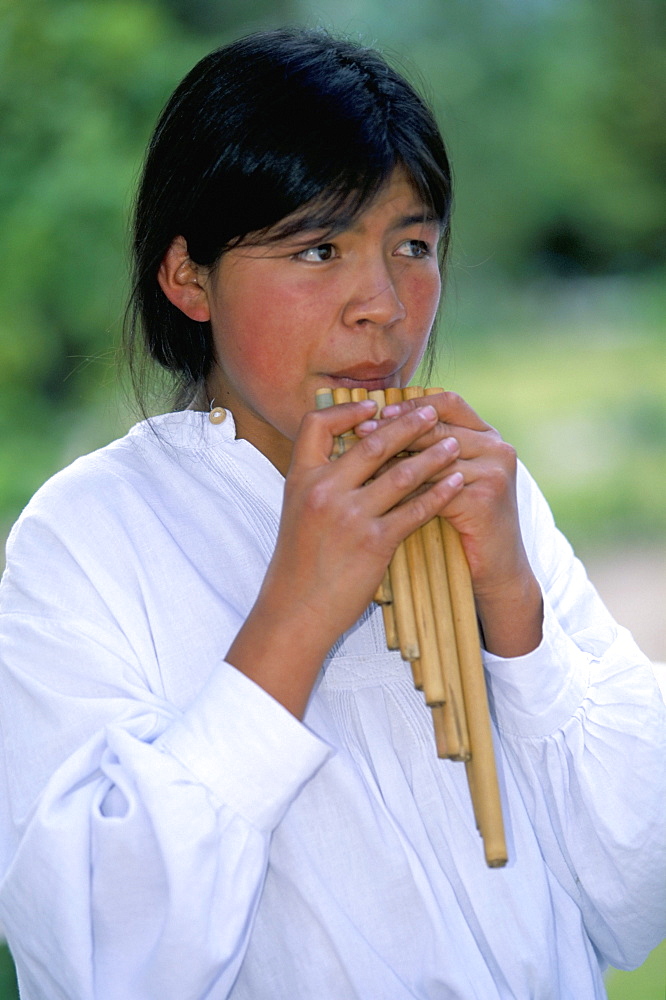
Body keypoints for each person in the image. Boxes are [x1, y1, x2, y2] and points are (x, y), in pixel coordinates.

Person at [0, 26, 663, 1000]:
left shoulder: (485, 496)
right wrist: (298, 615)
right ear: (187, 276)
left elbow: (634, 900)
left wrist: (516, 619)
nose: (385, 305)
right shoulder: (84, 539)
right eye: (319, 246)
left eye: (415, 245)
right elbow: (106, 961)